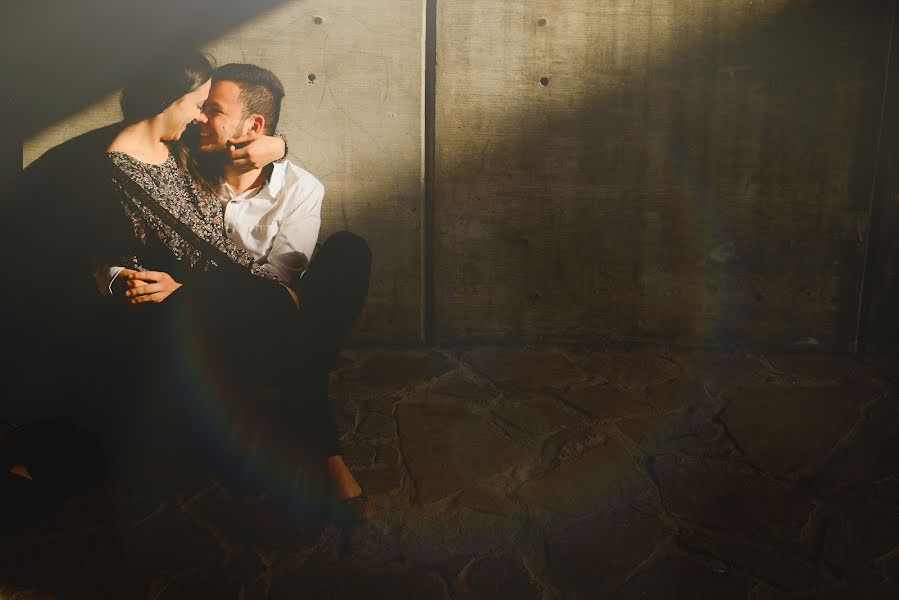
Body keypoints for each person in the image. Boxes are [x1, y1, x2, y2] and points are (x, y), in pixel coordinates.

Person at [8, 50, 371, 519]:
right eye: (200, 104)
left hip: (267, 310)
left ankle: (296, 412)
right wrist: (120, 275)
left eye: (213, 110)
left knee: (347, 252)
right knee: (292, 331)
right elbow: (108, 226)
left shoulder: (301, 188)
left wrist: (281, 147)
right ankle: (326, 455)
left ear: (254, 127)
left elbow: (281, 282)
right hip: (217, 325)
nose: (201, 117)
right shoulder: (186, 157)